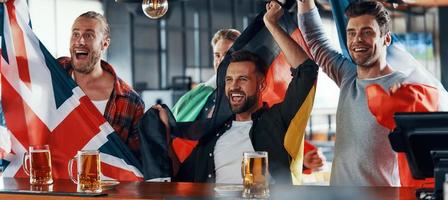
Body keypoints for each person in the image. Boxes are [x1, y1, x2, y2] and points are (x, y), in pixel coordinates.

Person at [296, 0, 409, 186]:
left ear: (386, 39)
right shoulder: (348, 77)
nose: (357, 39)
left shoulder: (405, 87)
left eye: (367, 32)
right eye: (351, 33)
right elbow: (314, 38)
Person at [57, 11, 144, 158]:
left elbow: (136, 162)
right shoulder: (56, 73)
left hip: (103, 179)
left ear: (105, 43)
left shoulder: (130, 101)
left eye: (89, 35)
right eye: (76, 34)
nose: (80, 41)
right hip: (57, 178)